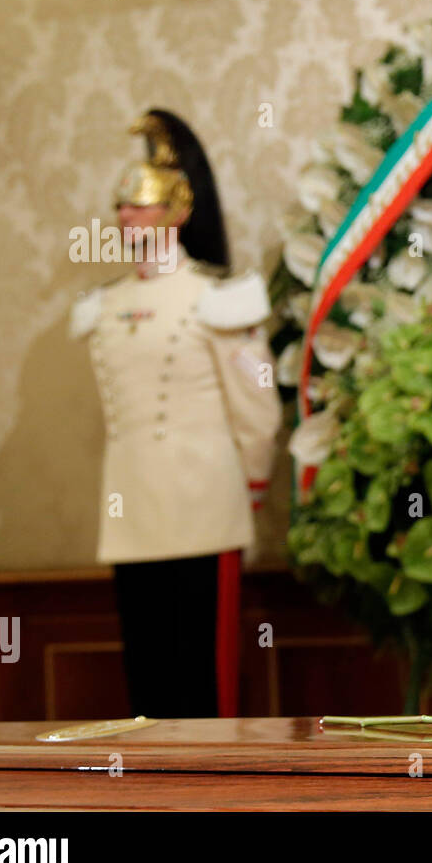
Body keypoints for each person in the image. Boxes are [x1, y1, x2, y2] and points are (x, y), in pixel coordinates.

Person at [69, 110, 282, 717]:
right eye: (123, 207)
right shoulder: (103, 305)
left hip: (203, 509)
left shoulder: (219, 296)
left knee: (204, 689)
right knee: (147, 686)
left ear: (178, 213)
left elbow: (256, 404)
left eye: (142, 206)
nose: (128, 218)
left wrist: (254, 487)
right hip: (131, 510)